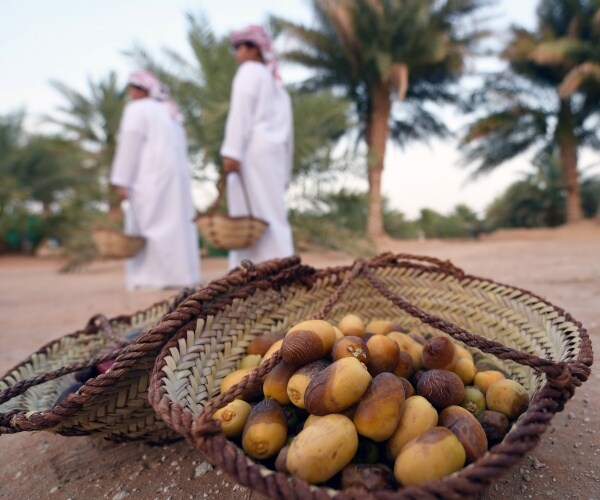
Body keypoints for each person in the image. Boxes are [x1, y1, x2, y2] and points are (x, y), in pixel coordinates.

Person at [110, 70, 200, 290]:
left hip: (148, 176)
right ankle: (181, 276)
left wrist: (121, 180)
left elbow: (130, 145)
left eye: (133, 88)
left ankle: (149, 278)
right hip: (176, 179)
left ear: (143, 89)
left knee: (149, 227)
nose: (130, 93)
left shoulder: (137, 110)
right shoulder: (170, 112)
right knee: (175, 226)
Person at [221, 25, 295, 270]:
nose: (238, 54)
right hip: (274, 156)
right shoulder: (279, 90)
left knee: (247, 214)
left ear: (256, 50)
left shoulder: (249, 72)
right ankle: (282, 268)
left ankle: (249, 271)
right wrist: (285, 170)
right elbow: (288, 136)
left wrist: (232, 151)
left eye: (242, 47)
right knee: (272, 213)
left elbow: (241, 114)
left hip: (251, 151)